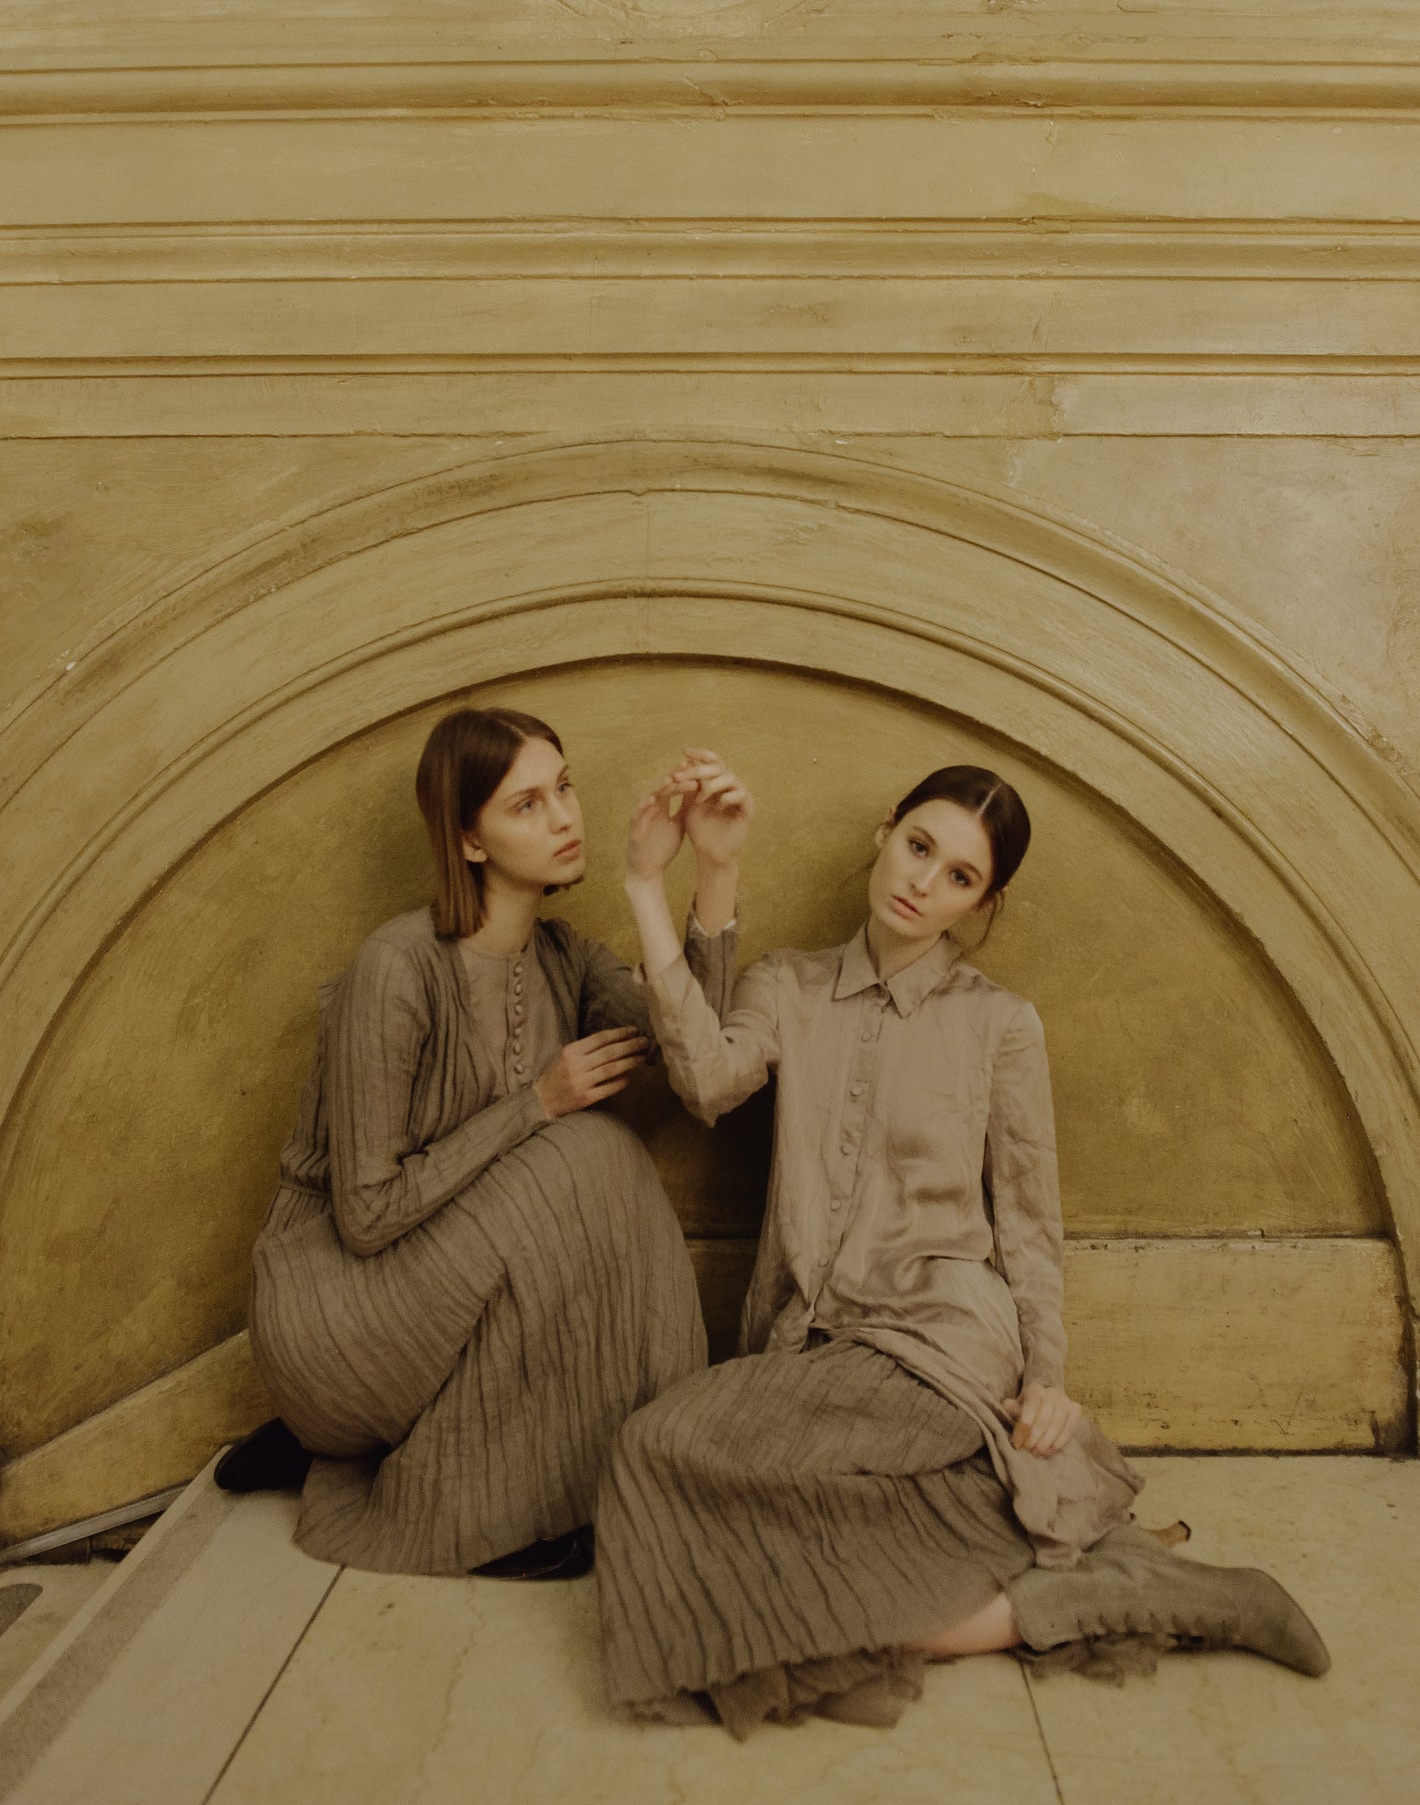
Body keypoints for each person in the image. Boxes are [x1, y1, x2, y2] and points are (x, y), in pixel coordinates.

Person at [597, 761, 1329, 1735]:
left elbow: (1029, 1221)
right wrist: (663, 883)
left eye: (959, 878)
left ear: (981, 903)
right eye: (919, 847)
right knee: (748, 1515)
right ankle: (1085, 1586)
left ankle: (1087, 1594)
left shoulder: (999, 1025)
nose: (923, 883)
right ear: (884, 831)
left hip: (946, 1346)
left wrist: (1049, 1377)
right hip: (814, 1346)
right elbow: (706, 1081)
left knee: (656, 1449)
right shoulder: (790, 985)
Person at [226, 709, 742, 1582]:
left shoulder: (565, 958)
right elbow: (365, 1213)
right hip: (331, 1305)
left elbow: (704, 1062)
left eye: (565, 787)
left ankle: (619, 1475)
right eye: (528, 804)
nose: (565, 817)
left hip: (439, 1313)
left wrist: (704, 872)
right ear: (469, 838)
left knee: (602, 1155)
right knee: (593, 1152)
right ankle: (483, 1507)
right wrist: (536, 1102)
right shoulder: (397, 966)